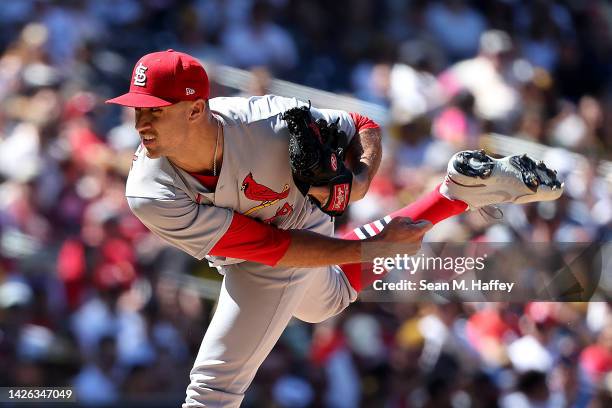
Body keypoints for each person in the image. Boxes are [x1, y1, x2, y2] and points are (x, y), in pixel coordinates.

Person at [106, 49, 563, 407]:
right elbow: (270, 247)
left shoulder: (266, 119)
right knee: (326, 300)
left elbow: (364, 124)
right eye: (137, 109)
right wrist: (373, 249)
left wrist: (361, 182)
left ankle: (453, 196)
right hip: (261, 247)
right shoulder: (150, 190)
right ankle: (454, 194)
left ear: (194, 109)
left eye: (155, 109)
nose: (141, 121)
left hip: (297, 221)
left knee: (211, 392)